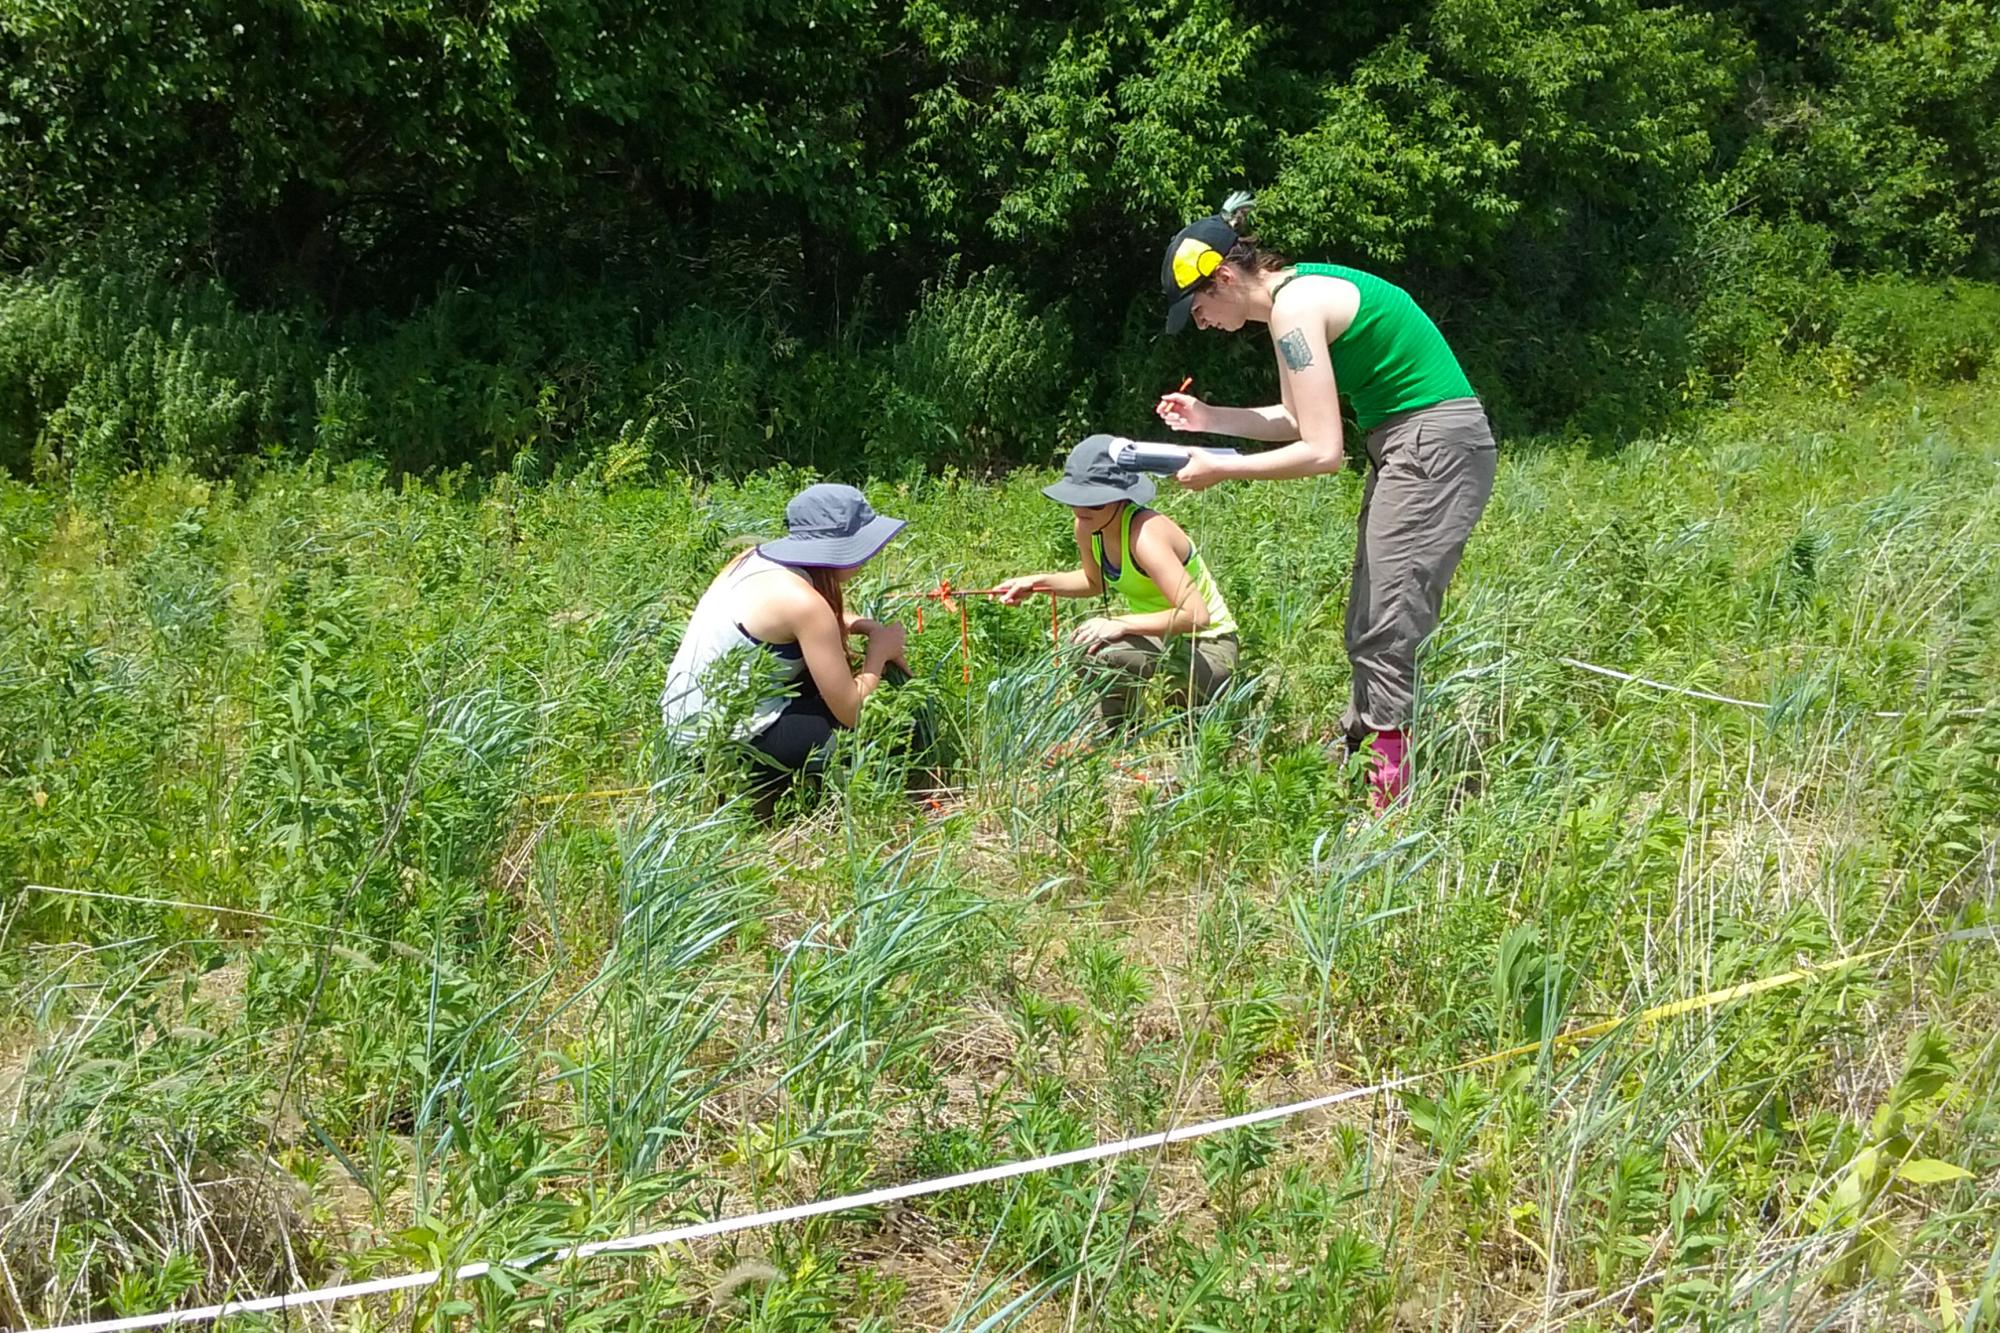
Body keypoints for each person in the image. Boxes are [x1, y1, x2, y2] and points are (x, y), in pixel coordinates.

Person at [1152, 193, 1495, 809]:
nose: (1200, 323)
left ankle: (1387, 803)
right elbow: (1296, 416)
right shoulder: (1297, 300)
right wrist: (1209, 417)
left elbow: (1322, 450)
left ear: (1225, 278)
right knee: (1369, 614)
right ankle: (1361, 750)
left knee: (1388, 621)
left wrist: (1220, 472)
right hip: (1410, 444)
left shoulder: (1293, 310)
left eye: (1198, 306)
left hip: (1430, 446)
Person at [661, 483, 908, 813]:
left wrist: (859, 624)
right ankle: (770, 792)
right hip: (726, 743)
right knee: (889, 726)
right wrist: (879, 651)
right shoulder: (806, 605)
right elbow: (852, 711)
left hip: (686, 726)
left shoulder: (755, 559)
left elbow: (784, 623)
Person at [994, 434, 1238, 727]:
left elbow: (1197, 616)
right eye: (1075, 498)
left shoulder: (1145, 534)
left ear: (1121, 498)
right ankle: (1117, 733)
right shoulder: (1088, 526)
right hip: (1166, 643)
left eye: (1095, 502)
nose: (1082, 509)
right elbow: (1092, 582)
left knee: (1104, 650)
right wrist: (1035, 583)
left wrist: (1120, 624)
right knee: (1086, 646)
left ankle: (1184, 715)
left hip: (1210, 650)